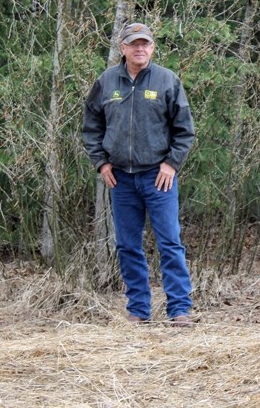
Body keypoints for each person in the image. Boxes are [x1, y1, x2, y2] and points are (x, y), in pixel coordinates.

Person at [82, 22, 196, 326]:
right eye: (134, 44)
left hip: (159, 177)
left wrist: (171, 164)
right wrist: (102, 163)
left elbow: (184, 130)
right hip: (121, 179)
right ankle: (138, 310)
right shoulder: (106, 82)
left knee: (169, 242)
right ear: (123, 48)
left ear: (153, 48)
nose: (140, 49)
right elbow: (91, 127)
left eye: (145, 43)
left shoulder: (167, 81)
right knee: (128, 245)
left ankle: (179, 310)